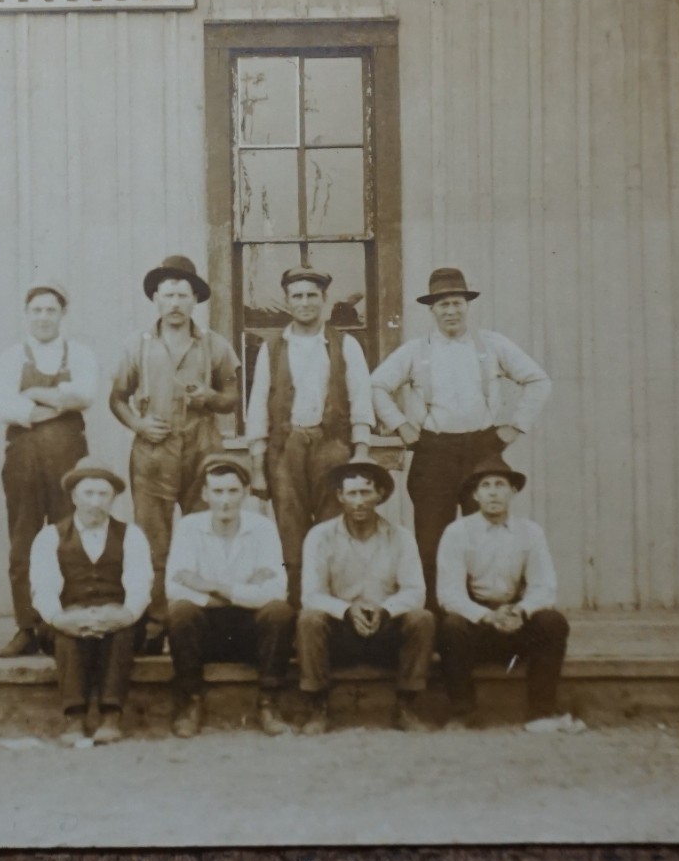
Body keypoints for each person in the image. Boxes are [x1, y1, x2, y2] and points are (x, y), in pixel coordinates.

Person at [370, 267, 551, 608]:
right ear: (432, 310)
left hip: (482, 450)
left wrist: (515, 426)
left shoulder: (492, 345)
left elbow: (539, 381)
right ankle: (437, 623)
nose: (450, 311)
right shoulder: (415, 350)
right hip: (433, 450)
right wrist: (400, 425)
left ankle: (479, 617)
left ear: (467, 305)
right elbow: (376, 386)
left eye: (456, 303)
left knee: (480, 534)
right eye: (442, 305)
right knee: (431, 540)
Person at [108, 255, 241, 652]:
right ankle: (155, 625)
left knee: (206, 536)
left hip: (203, 448)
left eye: (184, 295)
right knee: (153, 542)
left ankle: (205, 625)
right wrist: (138, 424)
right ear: (156, 298)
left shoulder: (215, 344)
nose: (176, 303)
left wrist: (212, 397)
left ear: (195, 299)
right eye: (168, 295)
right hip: (153, 450)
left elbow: (232, 398)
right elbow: (115, 398)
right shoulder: (137, 344)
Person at [245, 264, 373, 608]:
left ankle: (331, 611)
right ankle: (298, 612)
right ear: (287, 301)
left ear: (325, 300)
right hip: (285, 450)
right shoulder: (272, 348)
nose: (305, 302)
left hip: (332, 446)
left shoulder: (345, 345)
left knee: (334, 528)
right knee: (290, 530)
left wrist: (360, 451)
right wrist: (257, 466)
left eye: (312, 296)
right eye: (297, 296)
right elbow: (258, 406)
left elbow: (361, 398)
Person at [436, 456, 583, 733]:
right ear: (475, 494)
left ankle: (541, 712)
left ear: (512, 492)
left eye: (501, 485)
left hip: (514, 620)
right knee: (451, 626)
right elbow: (449, 594)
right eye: (486, 485)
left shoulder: (530, 532)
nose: (493, 492)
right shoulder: (457, 533)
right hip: (477, 623)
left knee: (553, 622)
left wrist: (520, 611)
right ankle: (463, 712)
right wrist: (487, 616)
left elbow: (544, 587)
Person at [0, 279, 98, 657]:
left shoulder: (79, 352)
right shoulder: (11, 356)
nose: (43, 317)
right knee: (23, 541)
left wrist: (35, 394)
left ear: (62, 314)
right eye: (36, 310)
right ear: (27, 314)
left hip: (69, 460)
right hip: (22, 459)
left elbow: (86, 394)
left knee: (69, 536)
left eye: (50, 310)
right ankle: (27, 626)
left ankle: (64, 626)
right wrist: (55, 403)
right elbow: (4, 405)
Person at [296, 461, 436, 734]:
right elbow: (311, 594)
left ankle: (406, 706)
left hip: (385, 630)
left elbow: (415, 591)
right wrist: (346, 610)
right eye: (351, 494)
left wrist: (385, 611)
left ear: (379, 495)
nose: (358, 502)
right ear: (340, 497)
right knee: (309, 619)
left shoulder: (401, 537)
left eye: (365, 493)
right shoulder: (320, 536)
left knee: (422, 619)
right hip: (341, 631)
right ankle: (318, 707)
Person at [164, 453, 295, 738]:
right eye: (218, 491)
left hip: (250, 632)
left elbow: (276, 589)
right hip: (207, 632)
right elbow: (175, 587)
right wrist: (245, 589)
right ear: (205, 494)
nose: (225, 500)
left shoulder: (263, 528)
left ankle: (268, 702)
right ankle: (191, 702)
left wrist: (212, 586)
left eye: (233, 491)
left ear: (246, 493)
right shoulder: (189, 527)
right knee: (180, 613)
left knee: (278, 612)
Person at [28, 461, 152, 744]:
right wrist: (61, 618)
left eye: (103, 495)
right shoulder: (50, 537)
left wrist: (127, 614)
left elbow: (140, 582)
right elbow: (43, 587)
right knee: (65, 636)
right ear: (73, 497)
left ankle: (111, 715)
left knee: (122, 633)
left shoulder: (131, 535)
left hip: (118, 616)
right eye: (88, 494)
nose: (95, 502)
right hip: (67, 617)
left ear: (113, 499)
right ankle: (74, 717)